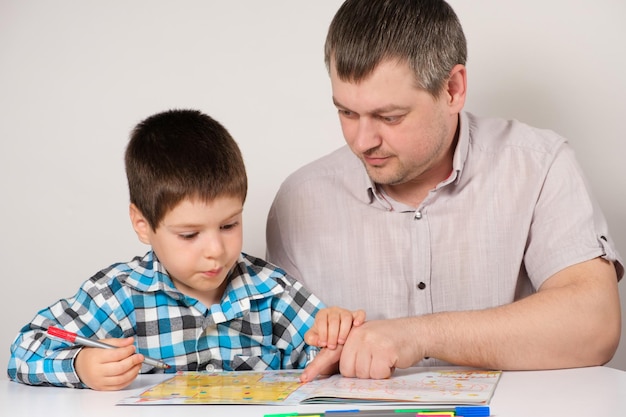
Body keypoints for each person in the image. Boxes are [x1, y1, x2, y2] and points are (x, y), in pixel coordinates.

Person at [266, 0, 624, 381]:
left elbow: (595, 325)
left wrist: (419, 335)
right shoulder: (299, 201)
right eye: (347, 112)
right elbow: (279, 359)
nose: (362, 141)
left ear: (453, 89)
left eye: (390, 117)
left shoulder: (538, 166)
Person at [8, 109, 361, 390]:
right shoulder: (121, 295)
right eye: (189, 234)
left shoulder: (272, 292)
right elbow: (26, 348)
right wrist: (80, 366)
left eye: (229, 226)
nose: (215, 251)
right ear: (143, 224)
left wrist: (334, 336)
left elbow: (332, 356)